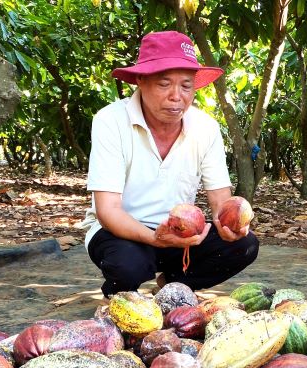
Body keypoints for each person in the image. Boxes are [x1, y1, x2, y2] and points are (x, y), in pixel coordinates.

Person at [82, 31, 259, 298]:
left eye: (186, 86)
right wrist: (154, 238)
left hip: (181, 234)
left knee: (245, 245)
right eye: (164, 84)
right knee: (127, 265)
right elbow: (108, 211)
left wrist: (231, 224)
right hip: (122, 232)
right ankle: (119, 292)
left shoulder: (205, 128)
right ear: (141, 81)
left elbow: (221, 202)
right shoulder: (110, 121)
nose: (177, 96)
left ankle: (173, 285)